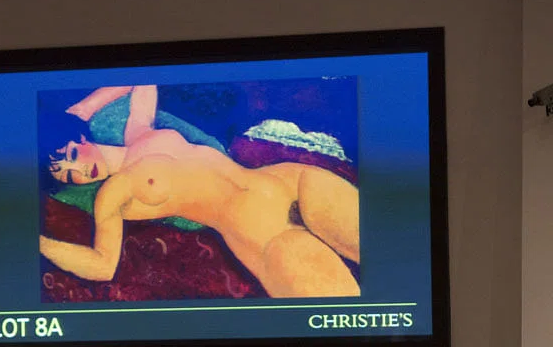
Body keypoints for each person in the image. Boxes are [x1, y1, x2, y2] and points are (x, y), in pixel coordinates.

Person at [40, 84, 360, 298]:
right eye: (67, 175)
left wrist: (83, 109)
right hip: (263, 233)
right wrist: (38, 243)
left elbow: (143, 77)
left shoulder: (138, 132)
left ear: (81, 139)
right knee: (346, 313)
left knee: (385, 248)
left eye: (72, 155)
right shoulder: (112, 193)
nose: (80, 170)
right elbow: (101, 266)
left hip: (290, 182)